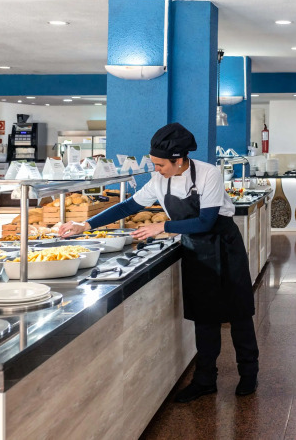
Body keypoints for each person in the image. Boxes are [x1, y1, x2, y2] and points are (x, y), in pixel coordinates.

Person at [59, 122, 259, 400]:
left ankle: (249, 374)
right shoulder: (159, 180)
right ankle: (205, 380)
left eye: (160, 164)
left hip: (225, 245)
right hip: (196, 248)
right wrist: (86, 224)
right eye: (154, 163)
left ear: (179, 160)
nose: (156, 169)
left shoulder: (208, 174)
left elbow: (206, 221)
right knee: (204, 316)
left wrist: (163, 226)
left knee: (238, 312)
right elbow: (129, 206)